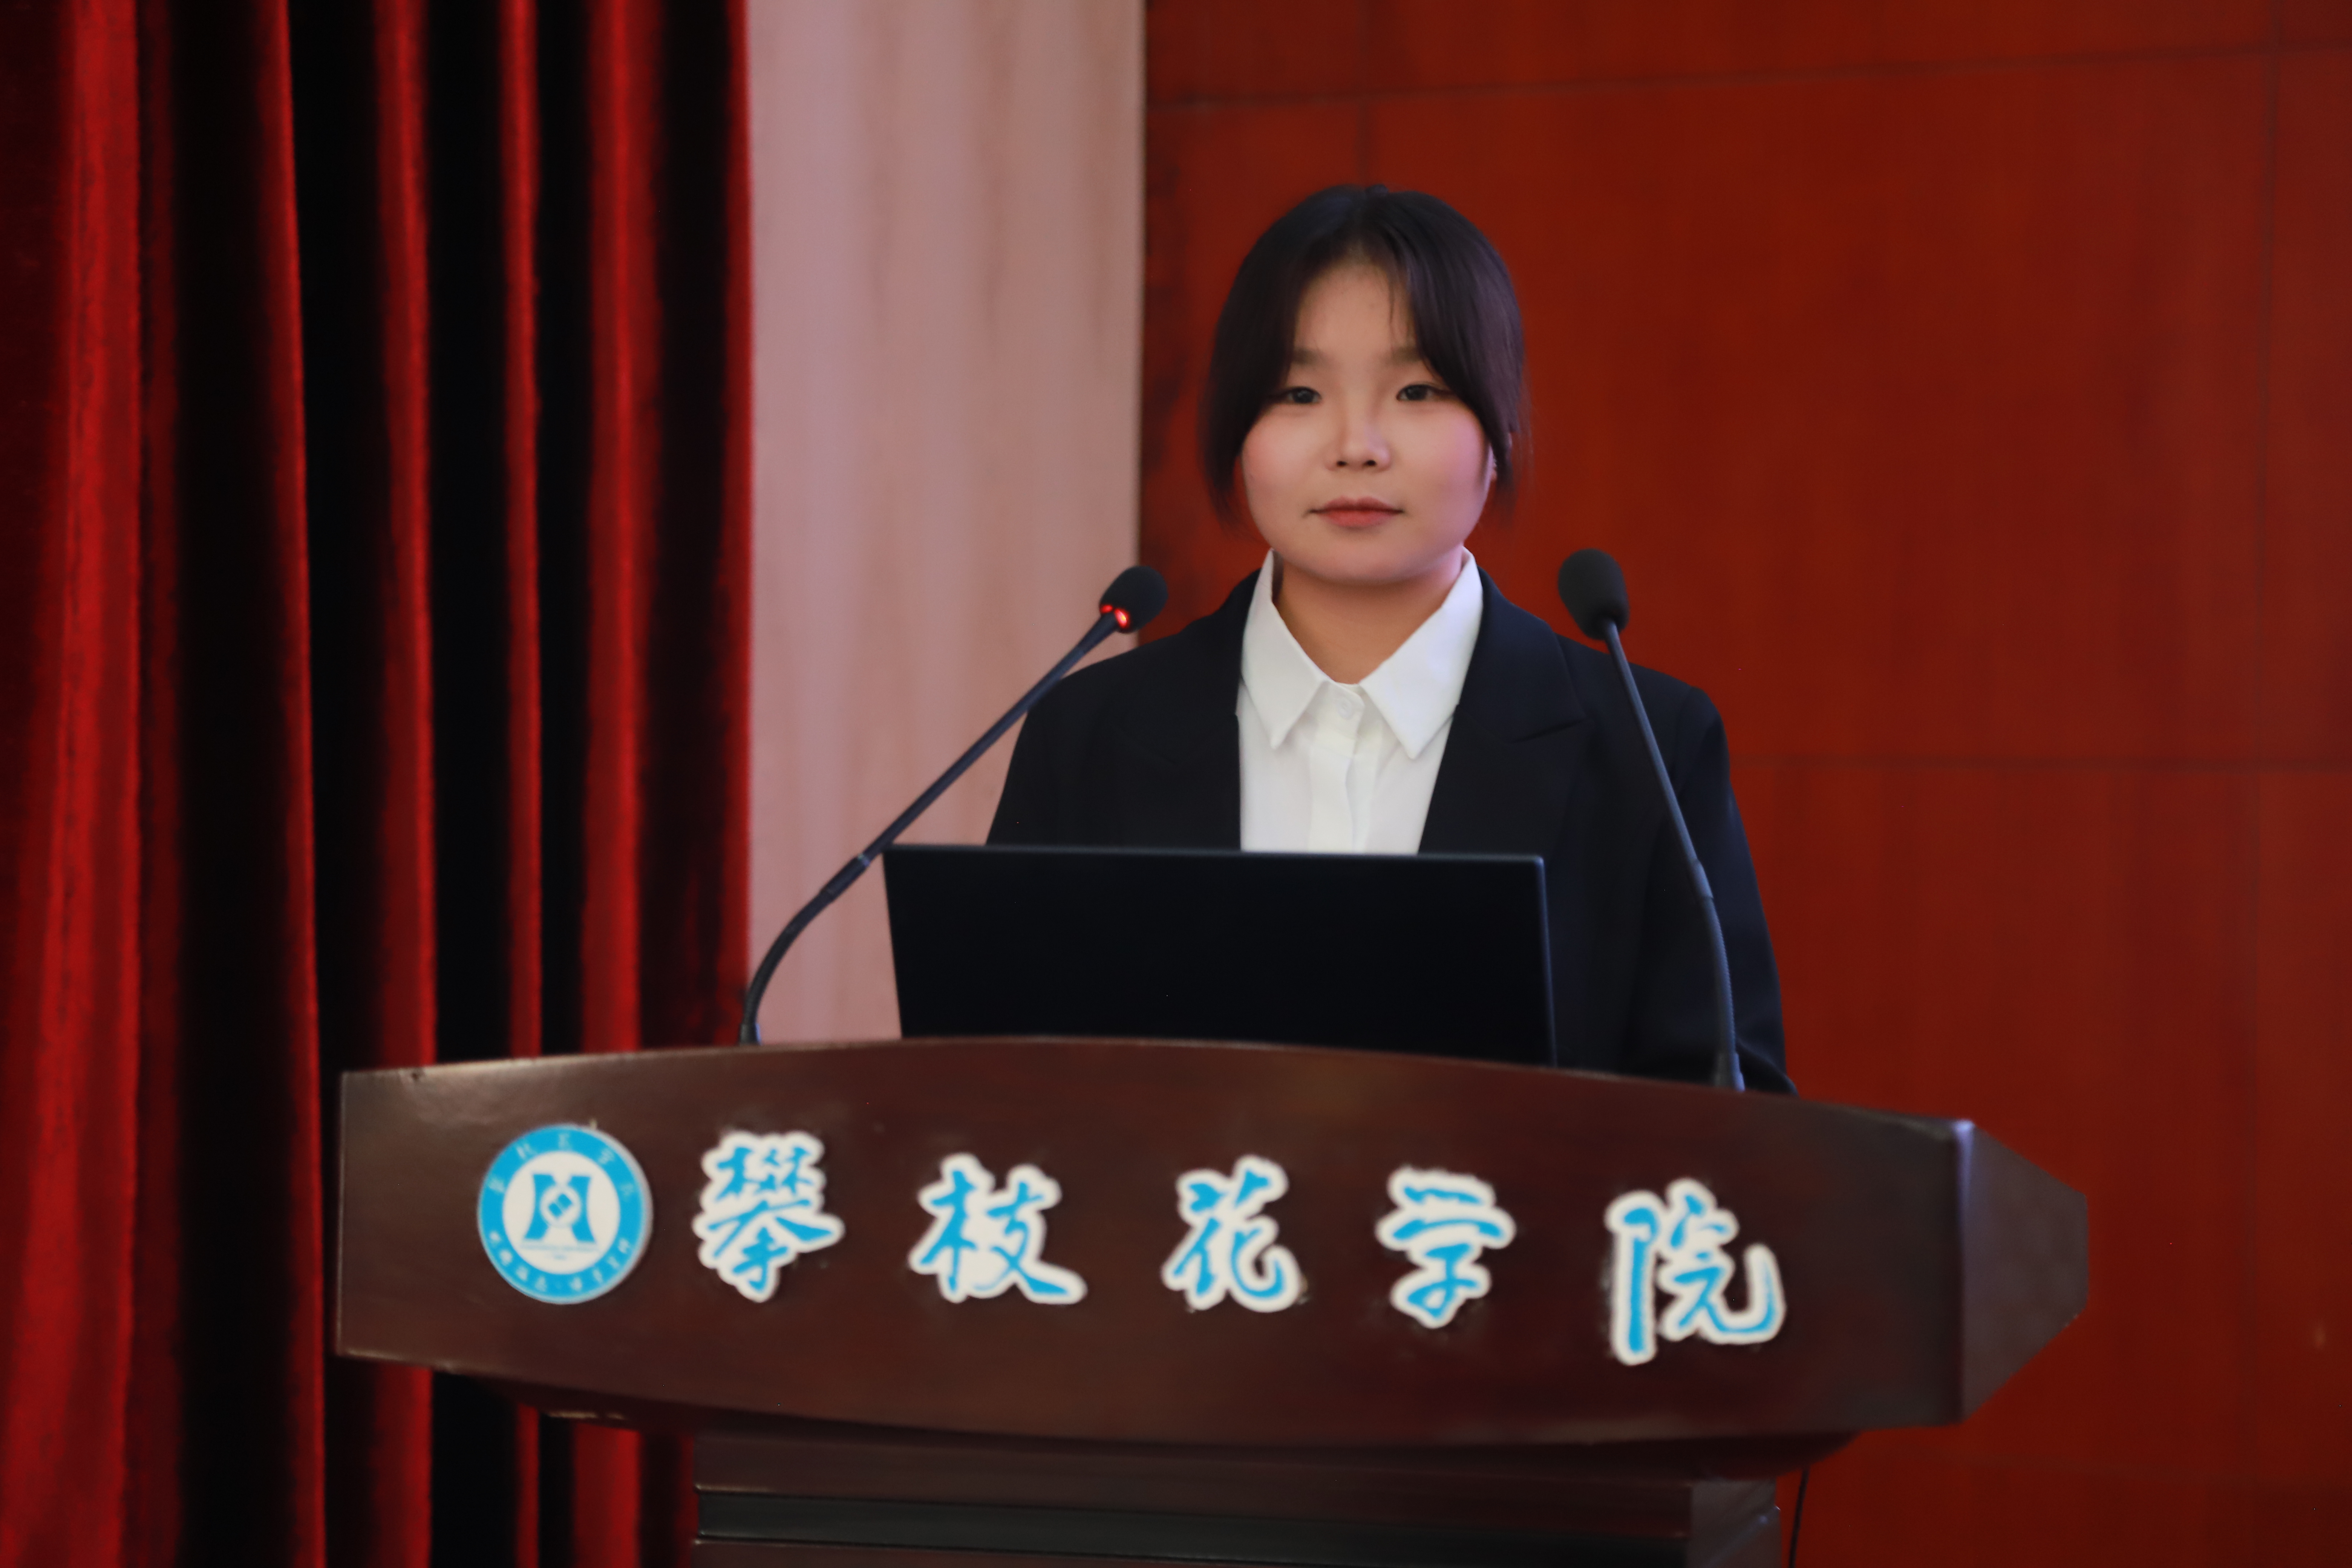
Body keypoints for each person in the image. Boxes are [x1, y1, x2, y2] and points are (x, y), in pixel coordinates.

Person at [990, 185, 1790, 1092]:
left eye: (1417, 391)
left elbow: (1729, 1115)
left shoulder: (1650, 748)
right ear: (1236, 430)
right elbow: (999, 1092)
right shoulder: (1089, 734)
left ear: (1501, 431)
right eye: (1298, 393)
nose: (1357, 446)